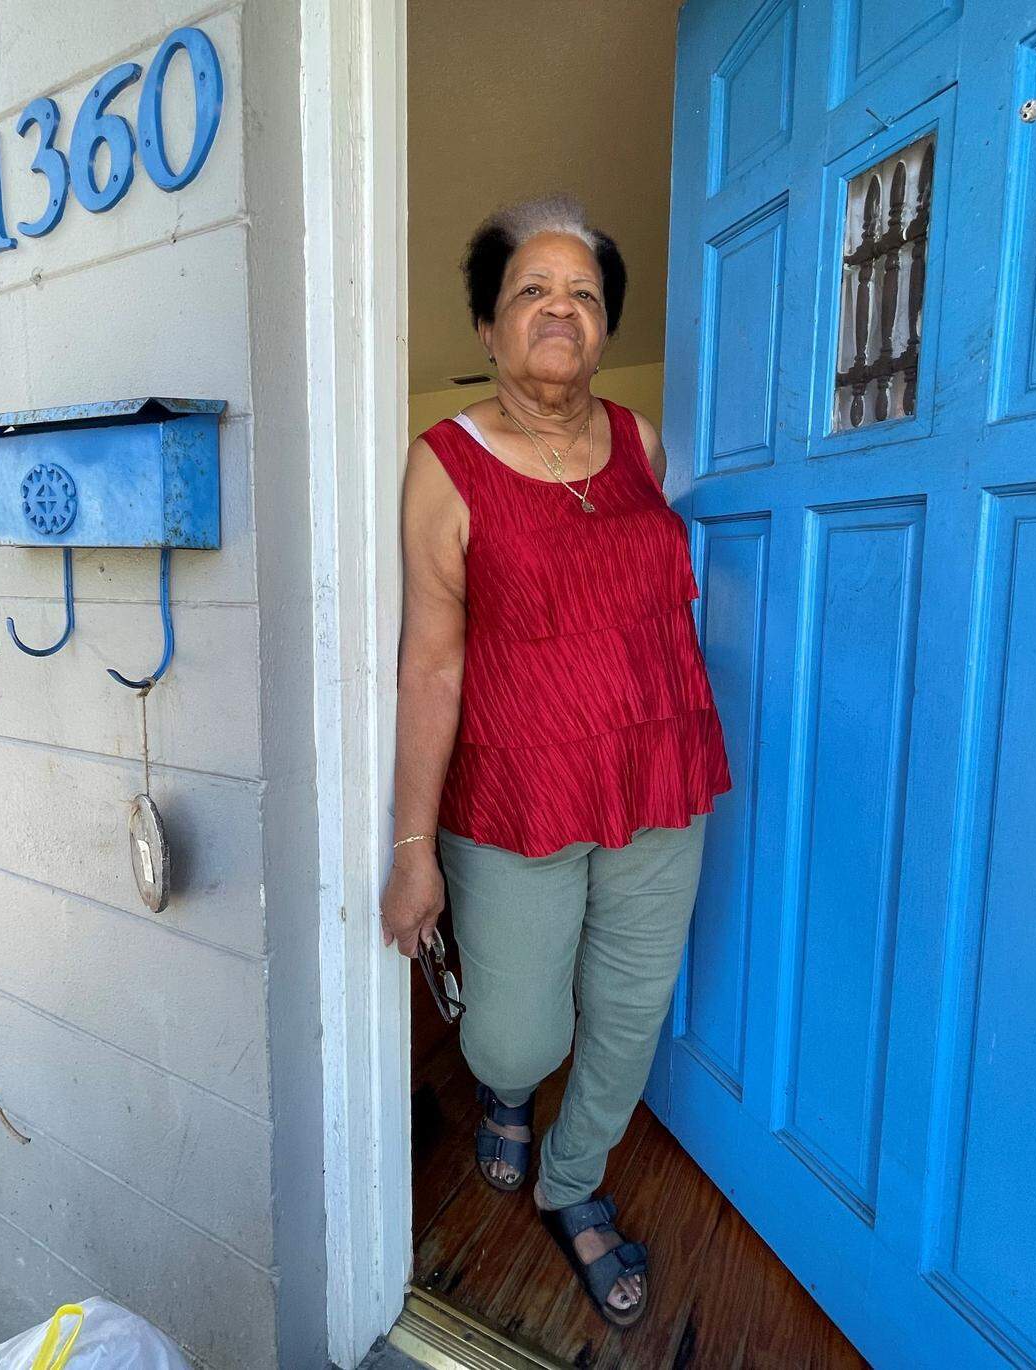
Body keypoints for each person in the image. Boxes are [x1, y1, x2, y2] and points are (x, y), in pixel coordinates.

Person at [380, 192, 732, 1326]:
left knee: (629, 1011)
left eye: (583, 292)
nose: (559, 308)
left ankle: (572, 1181)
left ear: (605, 325)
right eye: (532, 289)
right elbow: (431, 665)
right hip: (519, 789)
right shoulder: (441, 466)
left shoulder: (642, 442)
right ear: (487, 325)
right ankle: (506, 1088)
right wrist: (412, 846)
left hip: (659, 774)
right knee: (515, 1029)